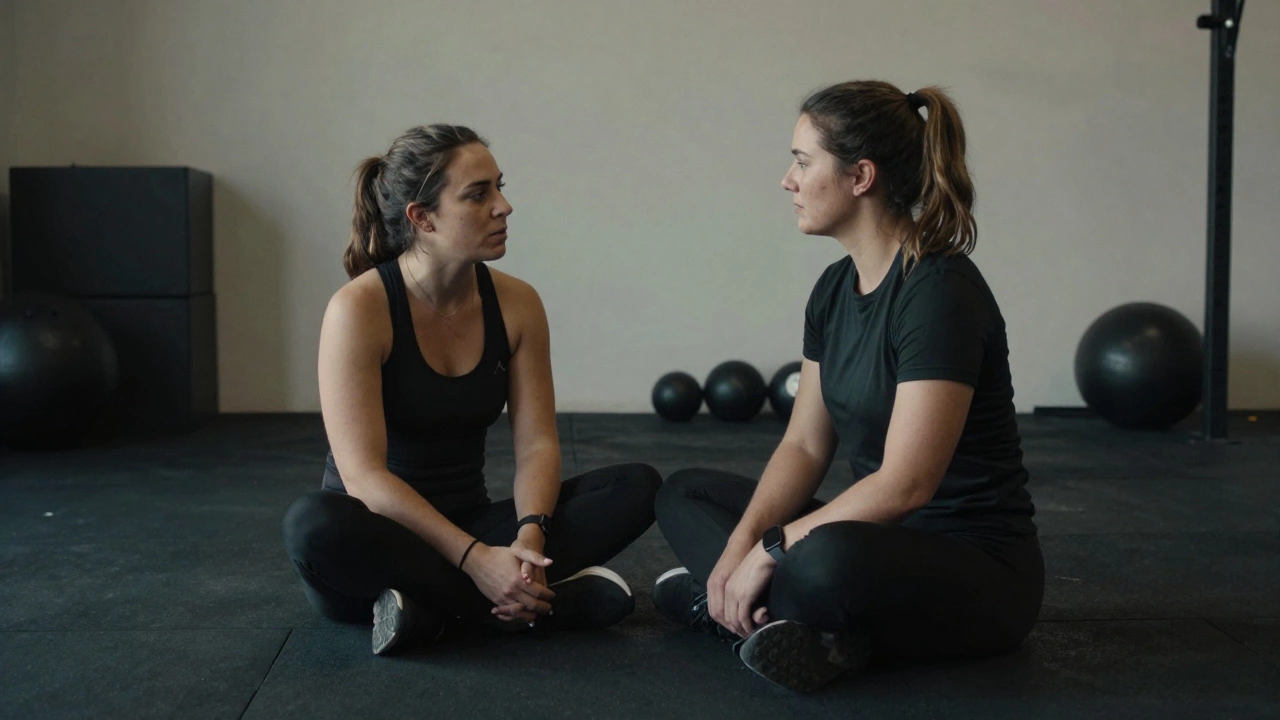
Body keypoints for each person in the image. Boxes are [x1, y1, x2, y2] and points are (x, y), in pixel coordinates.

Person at [651, 81, 1044, 692]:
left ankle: (727, 609)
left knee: (821, 559)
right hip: (881, 546)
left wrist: (772, 550)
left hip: (976, 571)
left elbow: (906, 484)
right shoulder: (834, 289)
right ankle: (789, 624)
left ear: (861, 176)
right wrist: (738, 549)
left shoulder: (938, 292)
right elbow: (805, 446)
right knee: (685, 493)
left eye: (803, 162)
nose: (788, 180)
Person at [282, 124, 661, 655]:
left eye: (499, 187)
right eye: (478, 194)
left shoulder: (517, 304)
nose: (504, 207)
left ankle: (432, 615)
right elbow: (363, 477)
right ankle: (526, 607)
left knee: (638, 486)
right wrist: (476, 560)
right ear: (422, 217)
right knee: (311, 524)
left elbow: (537, 445)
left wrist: (528, 537)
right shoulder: (359, 310)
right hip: (378, 539)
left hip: (475, 524)